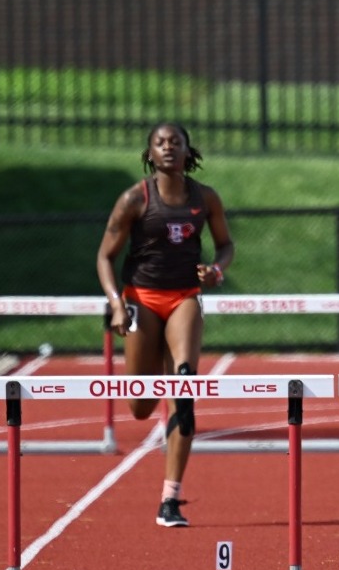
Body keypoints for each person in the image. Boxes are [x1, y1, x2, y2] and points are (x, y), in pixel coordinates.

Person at [96, 123, 235, 527]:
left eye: (176, 142)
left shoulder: (205, 198)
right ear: (150, 154)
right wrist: (116, 305)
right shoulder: (134, 198)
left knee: (184, 390)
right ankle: (157, 368)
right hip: (140, 299)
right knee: (140, 407)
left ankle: (170, 498)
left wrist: (216, 270)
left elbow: (225, 245)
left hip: (183, 298)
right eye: (160, 143)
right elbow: (104, 257)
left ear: (188, 151)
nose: (168, 148)